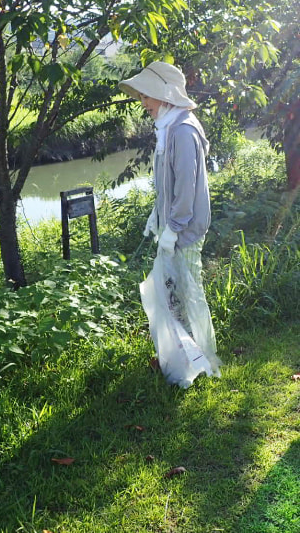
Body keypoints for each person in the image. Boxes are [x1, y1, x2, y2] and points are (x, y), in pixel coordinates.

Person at [118, 61, 221, 386]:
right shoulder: (168, 128)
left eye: (146, 96)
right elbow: (168, 185)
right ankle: (184, 359)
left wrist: (174, 227)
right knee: (174, 292)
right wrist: (157, 215)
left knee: (189, 293)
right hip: (172, 226)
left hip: (185, 230)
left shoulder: (183, 131)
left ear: (164, 95)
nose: (143, 103)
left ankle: (202, 360)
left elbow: (187, 187)